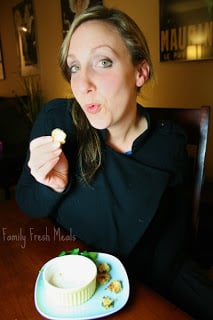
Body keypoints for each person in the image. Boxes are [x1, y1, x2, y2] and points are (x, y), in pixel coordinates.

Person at [16, 5, 213, 319]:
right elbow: (27, 202)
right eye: (74, 67)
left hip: (145, 287)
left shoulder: (169, 143)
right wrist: (52, 186)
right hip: (68, 285)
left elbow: (176, 236)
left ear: (140, 72)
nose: (82, 84)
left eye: (103, 62)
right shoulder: (58, 119)